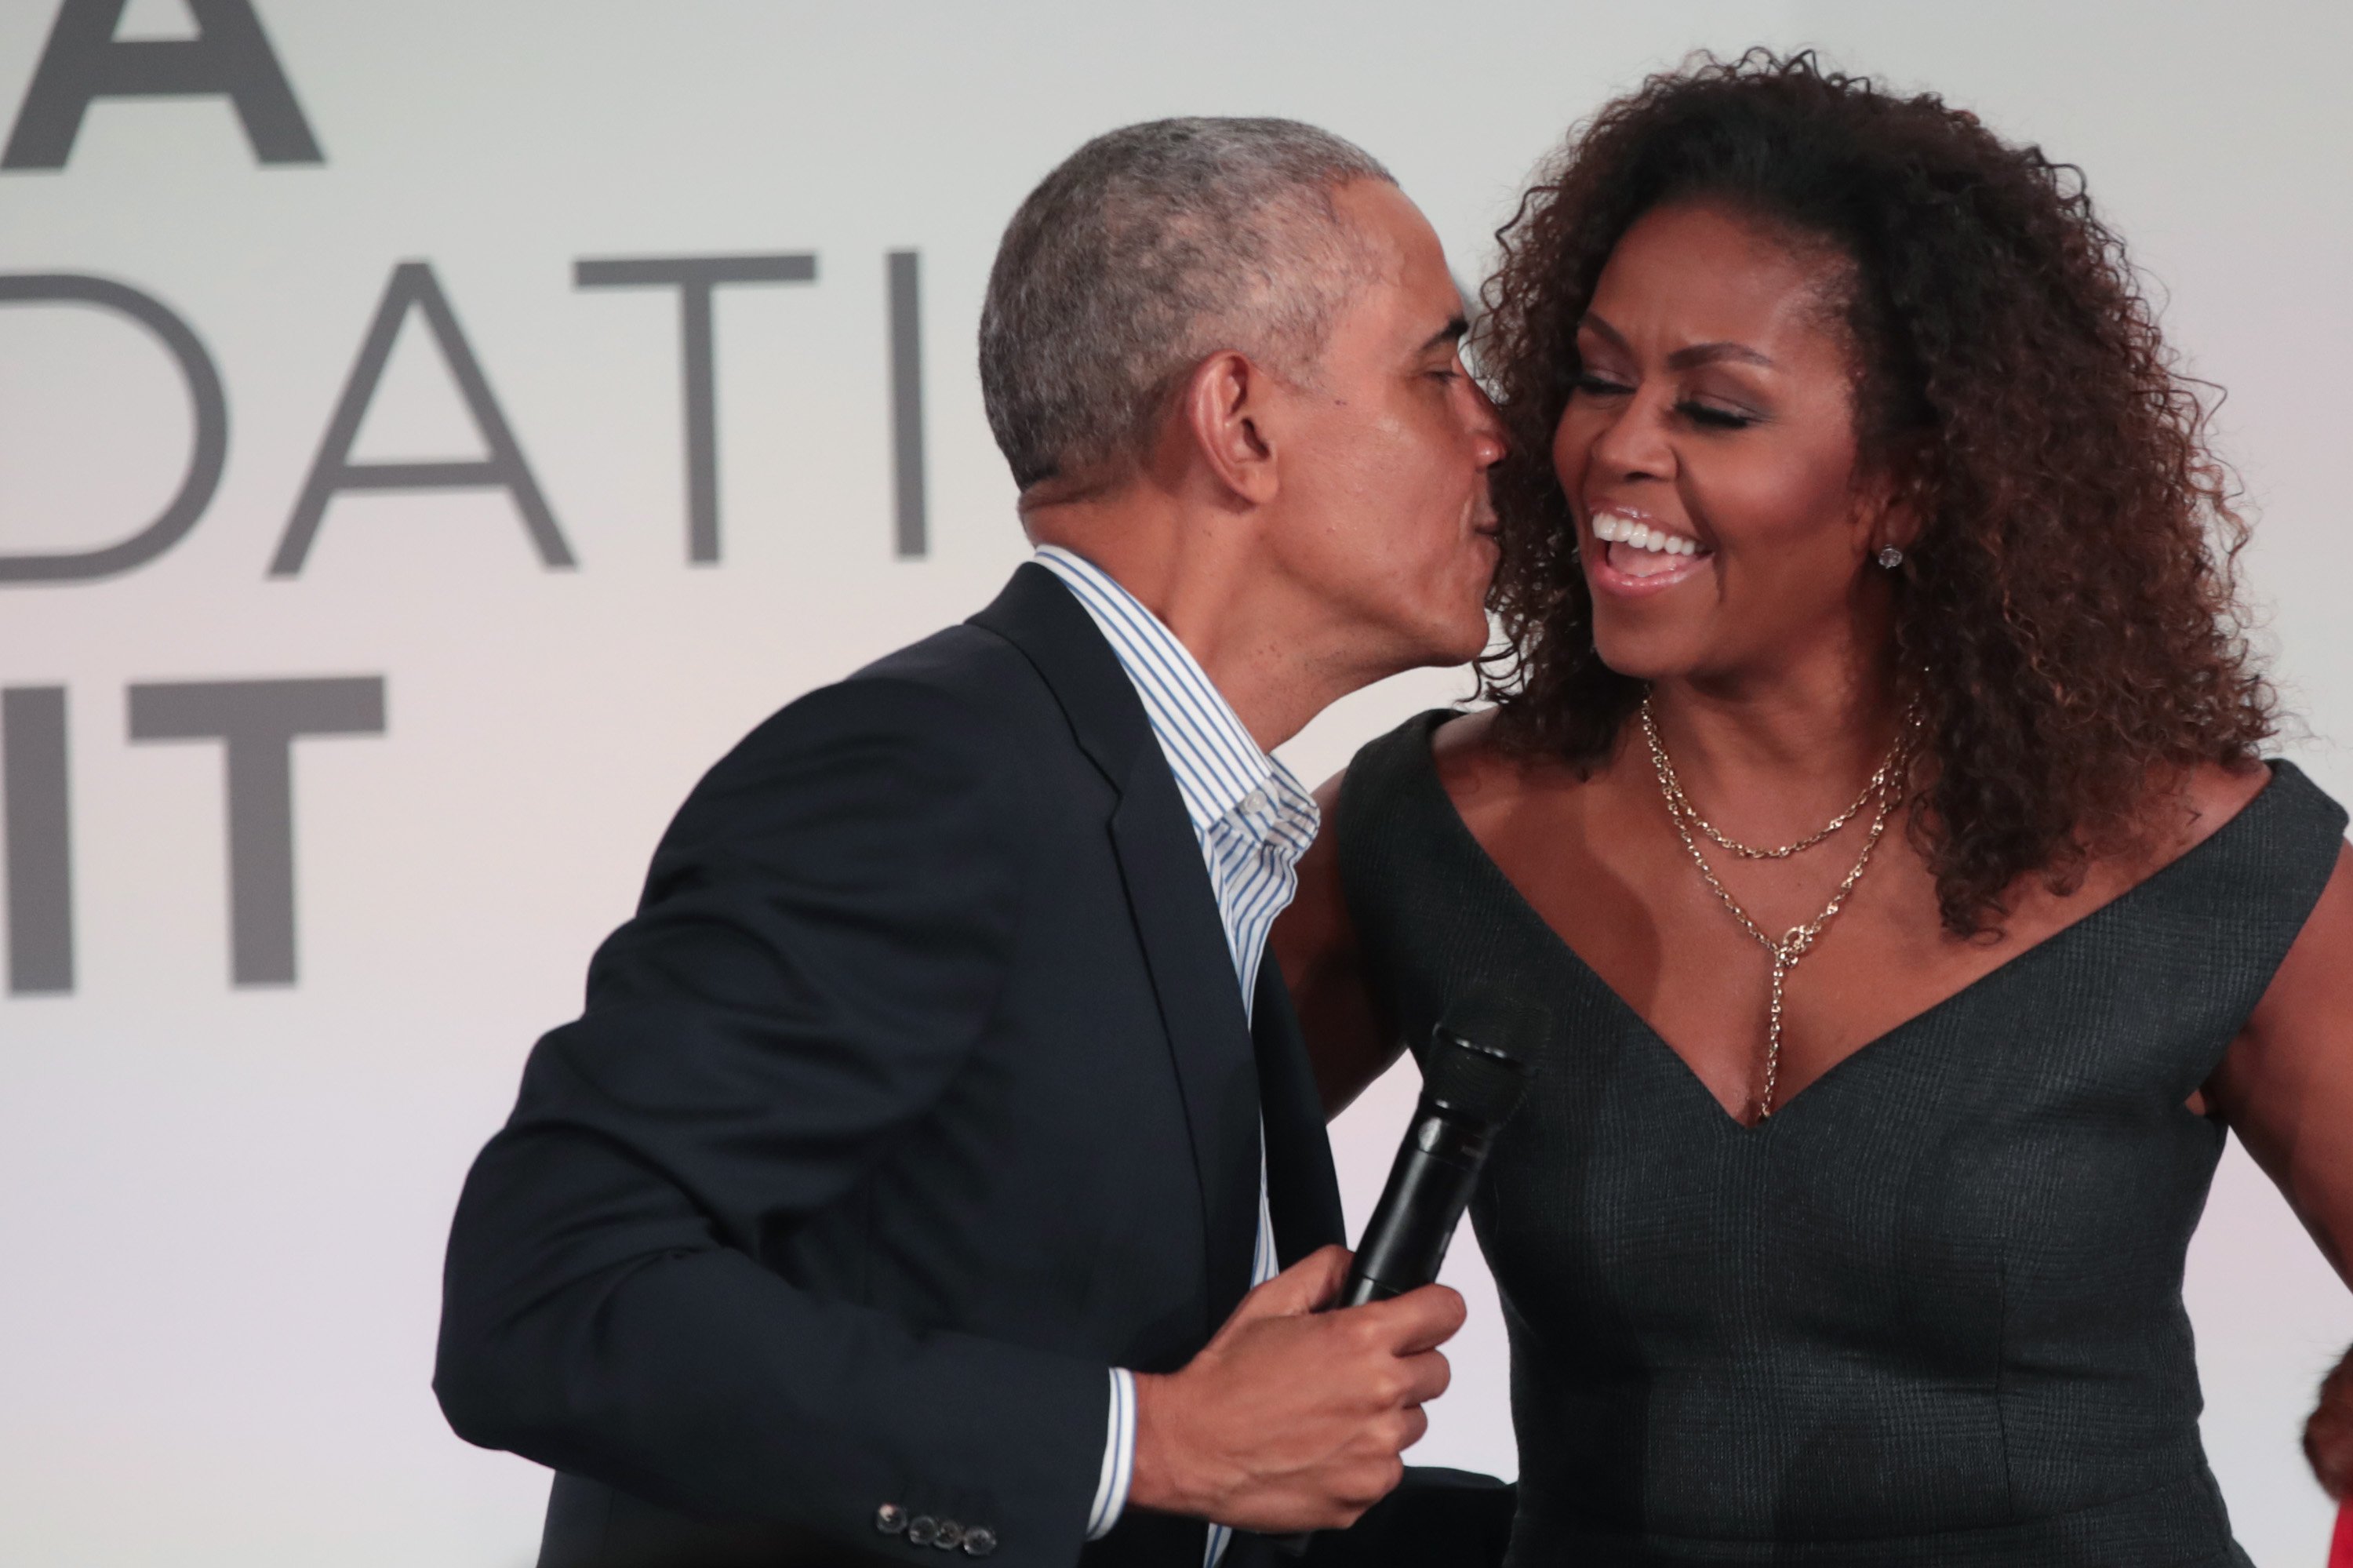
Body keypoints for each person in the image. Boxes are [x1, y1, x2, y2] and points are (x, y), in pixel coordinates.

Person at [1275, 53, 2353, 1566]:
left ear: (1914, 486)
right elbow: (1090, 1199)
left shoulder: (2217, 872)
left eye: (1715, 408)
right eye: (1595, 376)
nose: (1615, 449)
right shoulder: (1429, 831)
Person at [434, 118, 1506, 1567]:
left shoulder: (1170, 817)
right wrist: (1159, 1438)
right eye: (1439, 371)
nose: (1498, 432)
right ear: (1240, 422)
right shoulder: (918, 779)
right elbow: (548, 1298)